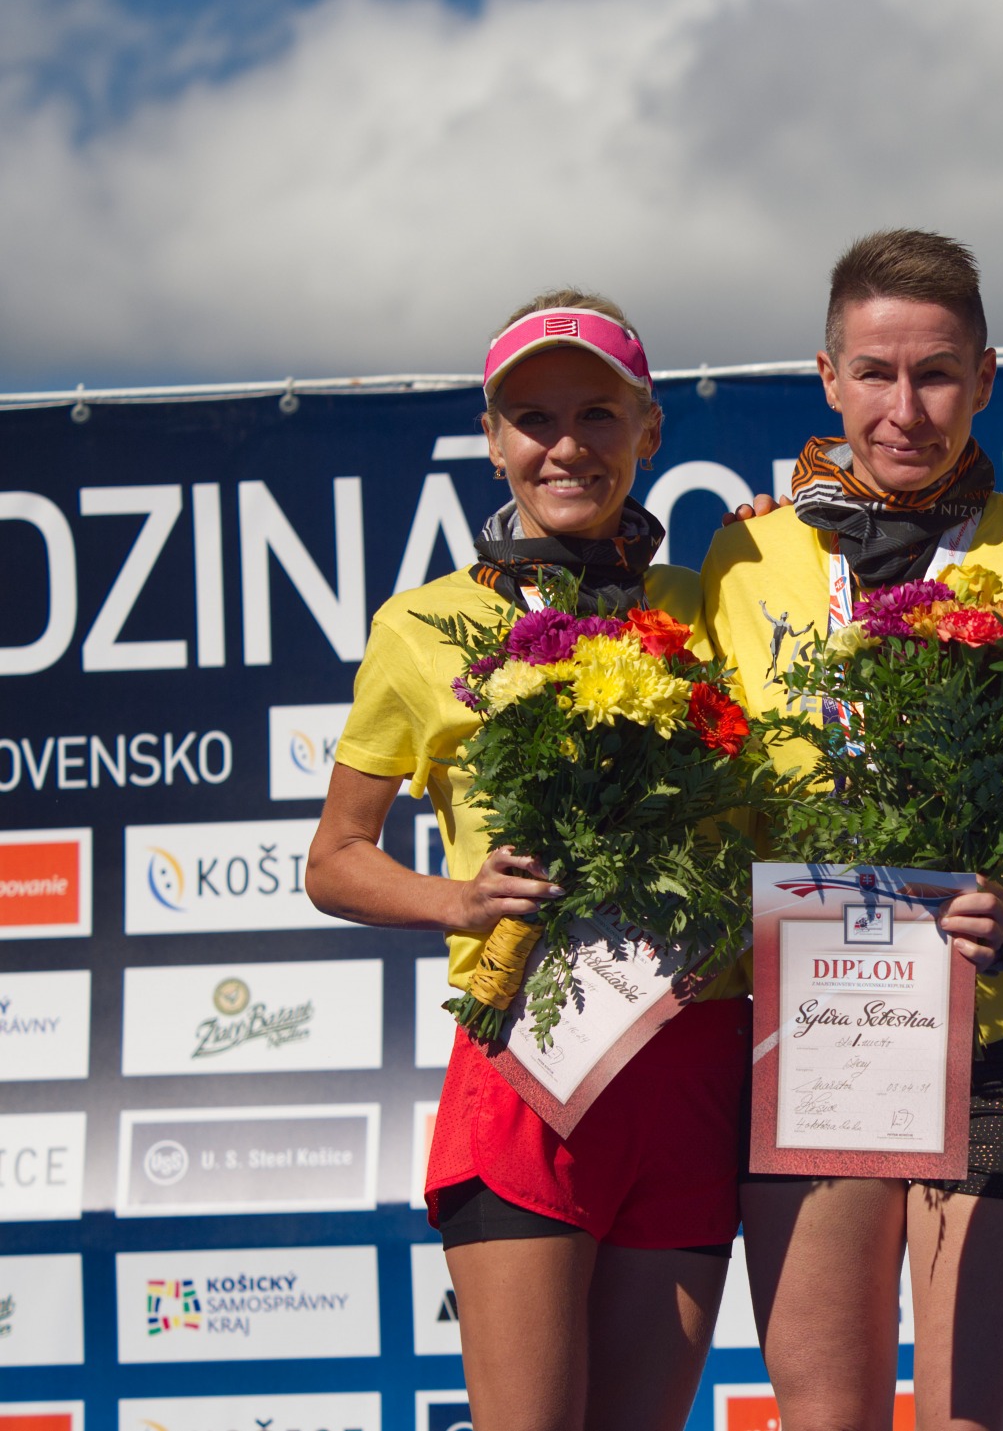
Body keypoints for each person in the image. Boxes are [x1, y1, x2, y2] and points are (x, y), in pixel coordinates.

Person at [700, 229, 1003, 1431]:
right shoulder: (744, 555)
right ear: (827, 378)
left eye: (936, 374)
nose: (905, 409)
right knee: (825, 1416)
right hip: (814, 1029)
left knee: (965, 1420)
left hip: (997, 1031)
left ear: (984, 378)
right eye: (876, 374)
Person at [307, 290, 744, 1431]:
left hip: (691, 1060)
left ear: (649, 429)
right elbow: (335, 858)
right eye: (534, 419)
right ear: (492, 438)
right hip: (530, 1057)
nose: (566, 446)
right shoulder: (422, 625)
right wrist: (459, 898)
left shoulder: (715, 604)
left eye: (597, 414)